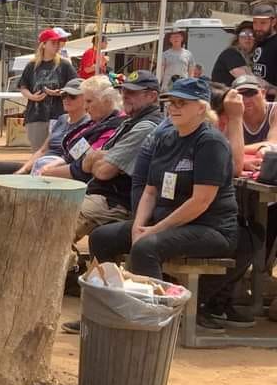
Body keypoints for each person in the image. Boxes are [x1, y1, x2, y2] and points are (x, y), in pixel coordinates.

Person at [87, 77, 240, 326]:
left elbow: (200, 202)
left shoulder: (210, 142)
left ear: (201, 108)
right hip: (167, 221)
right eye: (171, 102)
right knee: (101, 237)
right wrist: (138, 225)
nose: (174, 108)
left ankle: (151, 320)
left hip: (211, 228)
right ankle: (107, 311)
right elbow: (150, 190)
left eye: (182, 103)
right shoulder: (166, 137)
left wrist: (153, 230)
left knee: (146, 248)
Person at [75, 70, 163, 240]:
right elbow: (87, 165)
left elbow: (103, 171)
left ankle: (64, 263)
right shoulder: (131, 121)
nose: (125, 96)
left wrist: (96, 157)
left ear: (152, 96)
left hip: (115, 202)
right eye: (124, 91)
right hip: (100, 196)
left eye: (133, 92)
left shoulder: (146, 126)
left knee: (54, 219)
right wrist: (100, 158)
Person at [0, 77, 87, 181]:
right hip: (40, 165)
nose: (66, 99)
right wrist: (24, 169)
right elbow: (42, 150)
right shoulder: (62, 119)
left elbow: (72, 157)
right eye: (64, 95)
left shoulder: (88, 125)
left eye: (72, 96)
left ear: (86, 98)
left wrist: (46, 170)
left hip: (56, 172)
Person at [37, 75, 124, 182]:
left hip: (89, 188)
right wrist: (51, 166)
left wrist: (49, 172)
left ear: (106, 101)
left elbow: (84, 167)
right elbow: (74, 154)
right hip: (69, 175)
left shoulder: (114, 128)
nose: (85, 107)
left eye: (89, 101)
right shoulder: (96, 123)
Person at [19, 28, 77, 149]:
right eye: (53, 43)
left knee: (57, 150)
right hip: (36, 115)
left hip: (59, 116)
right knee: (37, 151)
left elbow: (76, 86)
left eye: (58, 43)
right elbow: (23, 86)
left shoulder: (65, 64)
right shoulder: (32, 65)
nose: (57, 46)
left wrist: (61, 92)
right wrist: (32, 97)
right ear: (43, 44)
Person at [210, 21, 254, 87]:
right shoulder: (231, 54)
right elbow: (246, 80)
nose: (247, 37)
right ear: (237, 38)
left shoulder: (249, 57)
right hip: (223, 95)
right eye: (243, 34)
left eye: (251, 34)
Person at [250, 3, 277, 85]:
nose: (258, 28)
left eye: (263, 23)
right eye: (255, 22)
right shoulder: (258, 42)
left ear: (273, 22)